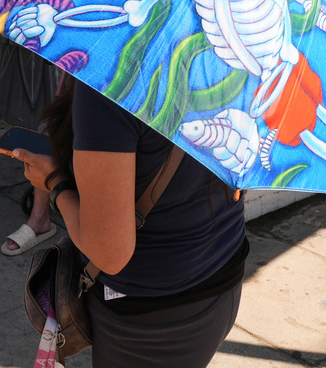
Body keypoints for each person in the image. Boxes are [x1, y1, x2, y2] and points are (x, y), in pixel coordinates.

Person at [12, 77, 249, 366]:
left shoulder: (108, 80)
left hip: (150, 320)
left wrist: (54, 183)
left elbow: (109, 254)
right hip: (223, 273)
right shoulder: (231, 56)